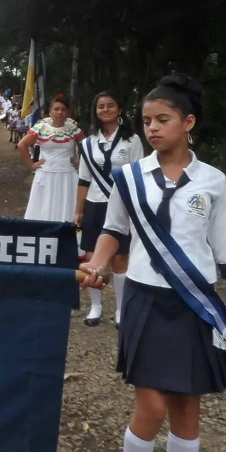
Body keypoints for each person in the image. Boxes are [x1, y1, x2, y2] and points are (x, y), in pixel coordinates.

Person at [79, 74, 226, 452]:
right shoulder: (129, 177)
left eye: (163, 119)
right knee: (151, 404)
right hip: (145, 299)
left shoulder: (213, 182)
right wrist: (100, 264)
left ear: (188, 122)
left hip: (194, 305)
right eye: (146, 121)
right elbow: (114, 232)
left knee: (188, 407)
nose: (152, 128)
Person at [74, 91, 145, 326]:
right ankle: (96, 307)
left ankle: (121, 309)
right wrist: (78, 210)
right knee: (94, 257)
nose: (105, 110)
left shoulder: (132, 140)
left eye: (110, 106)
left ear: (120, 109)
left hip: (122, 205)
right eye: (100, 106)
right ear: (95, 111)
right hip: (95, 203)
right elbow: (84, 178)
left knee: (119, 259)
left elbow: (138, 175)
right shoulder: (88, 142)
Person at [20, 95, 84, 222]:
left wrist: (78, 162)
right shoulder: (41, 128)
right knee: (43, 208)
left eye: (63, 109)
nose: (59, 112)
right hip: (46, 174)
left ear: (68, 113)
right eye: (56, 109)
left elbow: (88, 148)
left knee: (67, 208)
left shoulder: (73, 129)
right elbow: (22, 145)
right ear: (50, 112)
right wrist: (32, 164)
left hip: (68, 175)